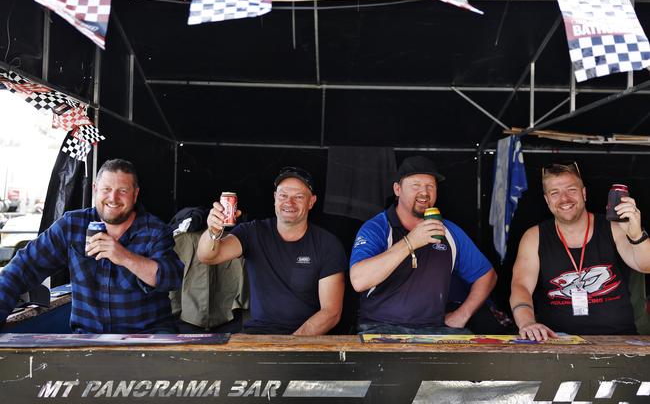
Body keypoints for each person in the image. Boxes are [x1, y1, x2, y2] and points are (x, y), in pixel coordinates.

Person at [0, 159, 183, 333]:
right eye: (106, 189)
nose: (113, 197)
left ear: (135, 194)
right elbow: (23, 267)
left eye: (123, 191)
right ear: (95, 189)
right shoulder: (72, 225)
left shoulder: (155, 230)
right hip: (89, 339)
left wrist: (124, 257)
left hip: (149, 338)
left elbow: (172, 277)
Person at [350, 156, 497, 334]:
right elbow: (359, 280)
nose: (424, 192)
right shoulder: (378, 227)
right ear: (397, 189)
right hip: (380, 327)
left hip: (434, 329)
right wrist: (410, 242)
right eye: (416, 185)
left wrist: (462, 314)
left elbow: (487, 276)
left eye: (430, 186)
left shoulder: (448, 231)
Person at [197, 166, 346, 335]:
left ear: (311, 201)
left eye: (298, 197)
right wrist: (213, 231)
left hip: (307, 338)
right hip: (258, 335)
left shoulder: (327, 244)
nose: (289, 203)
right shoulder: (253, 232)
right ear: (275, 198)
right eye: (283, 195)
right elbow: (208, 256)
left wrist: (290, 345)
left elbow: (331, 313)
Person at [510, 161, 650, 341]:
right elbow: (520, 286)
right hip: (557, 340)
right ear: (547, 200)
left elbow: (645, 266)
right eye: (555, 193)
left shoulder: (613, 228)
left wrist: (636, 233)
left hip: (618, 337)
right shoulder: (534, 237)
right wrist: (527, 323)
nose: (564, 199)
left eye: (571, 190)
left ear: (584, 193)